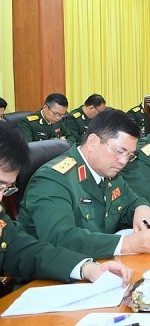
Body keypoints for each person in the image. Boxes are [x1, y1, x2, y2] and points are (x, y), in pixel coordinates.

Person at [17, 110, 150, 259]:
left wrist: (142, 209)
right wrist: (126, 244)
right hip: (52, 276)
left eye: (129, 155)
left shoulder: (108, 171)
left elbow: (133, 200)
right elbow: (60, 238)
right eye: (120, 151)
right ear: (93, 142)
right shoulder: (52, 179)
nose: (123, 161)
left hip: (100, 263)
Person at [0, 122, 132, 284]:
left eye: (5, 188)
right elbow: (61, 237)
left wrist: (86, 268)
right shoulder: (51, 178)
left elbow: (24, 251)